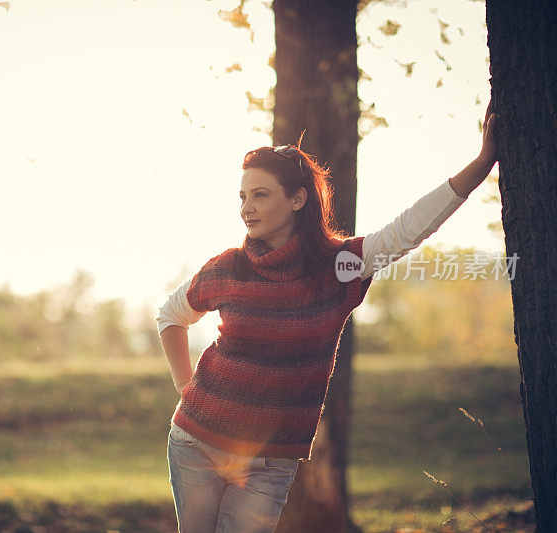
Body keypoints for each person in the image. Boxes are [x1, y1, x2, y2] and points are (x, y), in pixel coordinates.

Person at [156, 102, 498, 533]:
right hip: (195, 444)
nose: (247, 208)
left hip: (270, 461)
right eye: (243, 196)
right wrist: (185, 386)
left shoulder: (339, 268)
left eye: (260, 195)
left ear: (298, 198)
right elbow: (171, 315)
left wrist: (483, 161)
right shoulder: (229, 266)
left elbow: (411, 226)